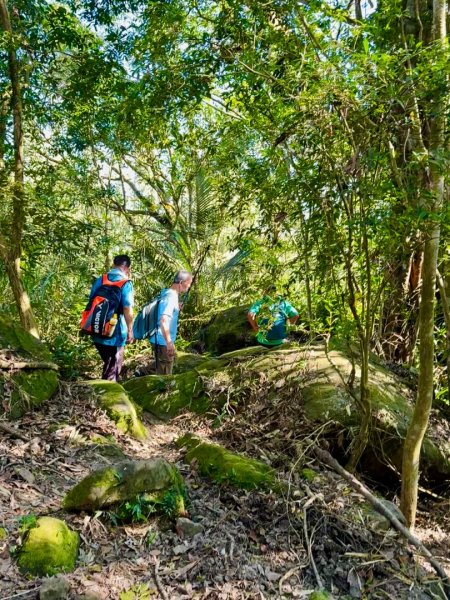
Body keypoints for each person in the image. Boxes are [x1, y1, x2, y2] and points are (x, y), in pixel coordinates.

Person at [88, 254, 134, 381]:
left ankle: (108, 387)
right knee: (113, 366)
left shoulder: (101, 279)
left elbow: (91, 300)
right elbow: (127, 307)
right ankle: (109, 394)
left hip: (96, 328)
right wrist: (130, 329)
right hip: (115, 332)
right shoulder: (125, 283)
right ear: (127, 268)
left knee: (109, 363)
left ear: (114, 264)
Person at [149, 270, 193, 375]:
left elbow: (163, 310)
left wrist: (176, 307)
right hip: (162, 341)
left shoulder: (167, 293)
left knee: (160, 365)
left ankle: (140, 373)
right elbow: (163, 320)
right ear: (181, 282)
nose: (189, 286)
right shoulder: (171, 297)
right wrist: (169, 343)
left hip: (159, 339)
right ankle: (160, 390)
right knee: (165, 375)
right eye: (189, 283)